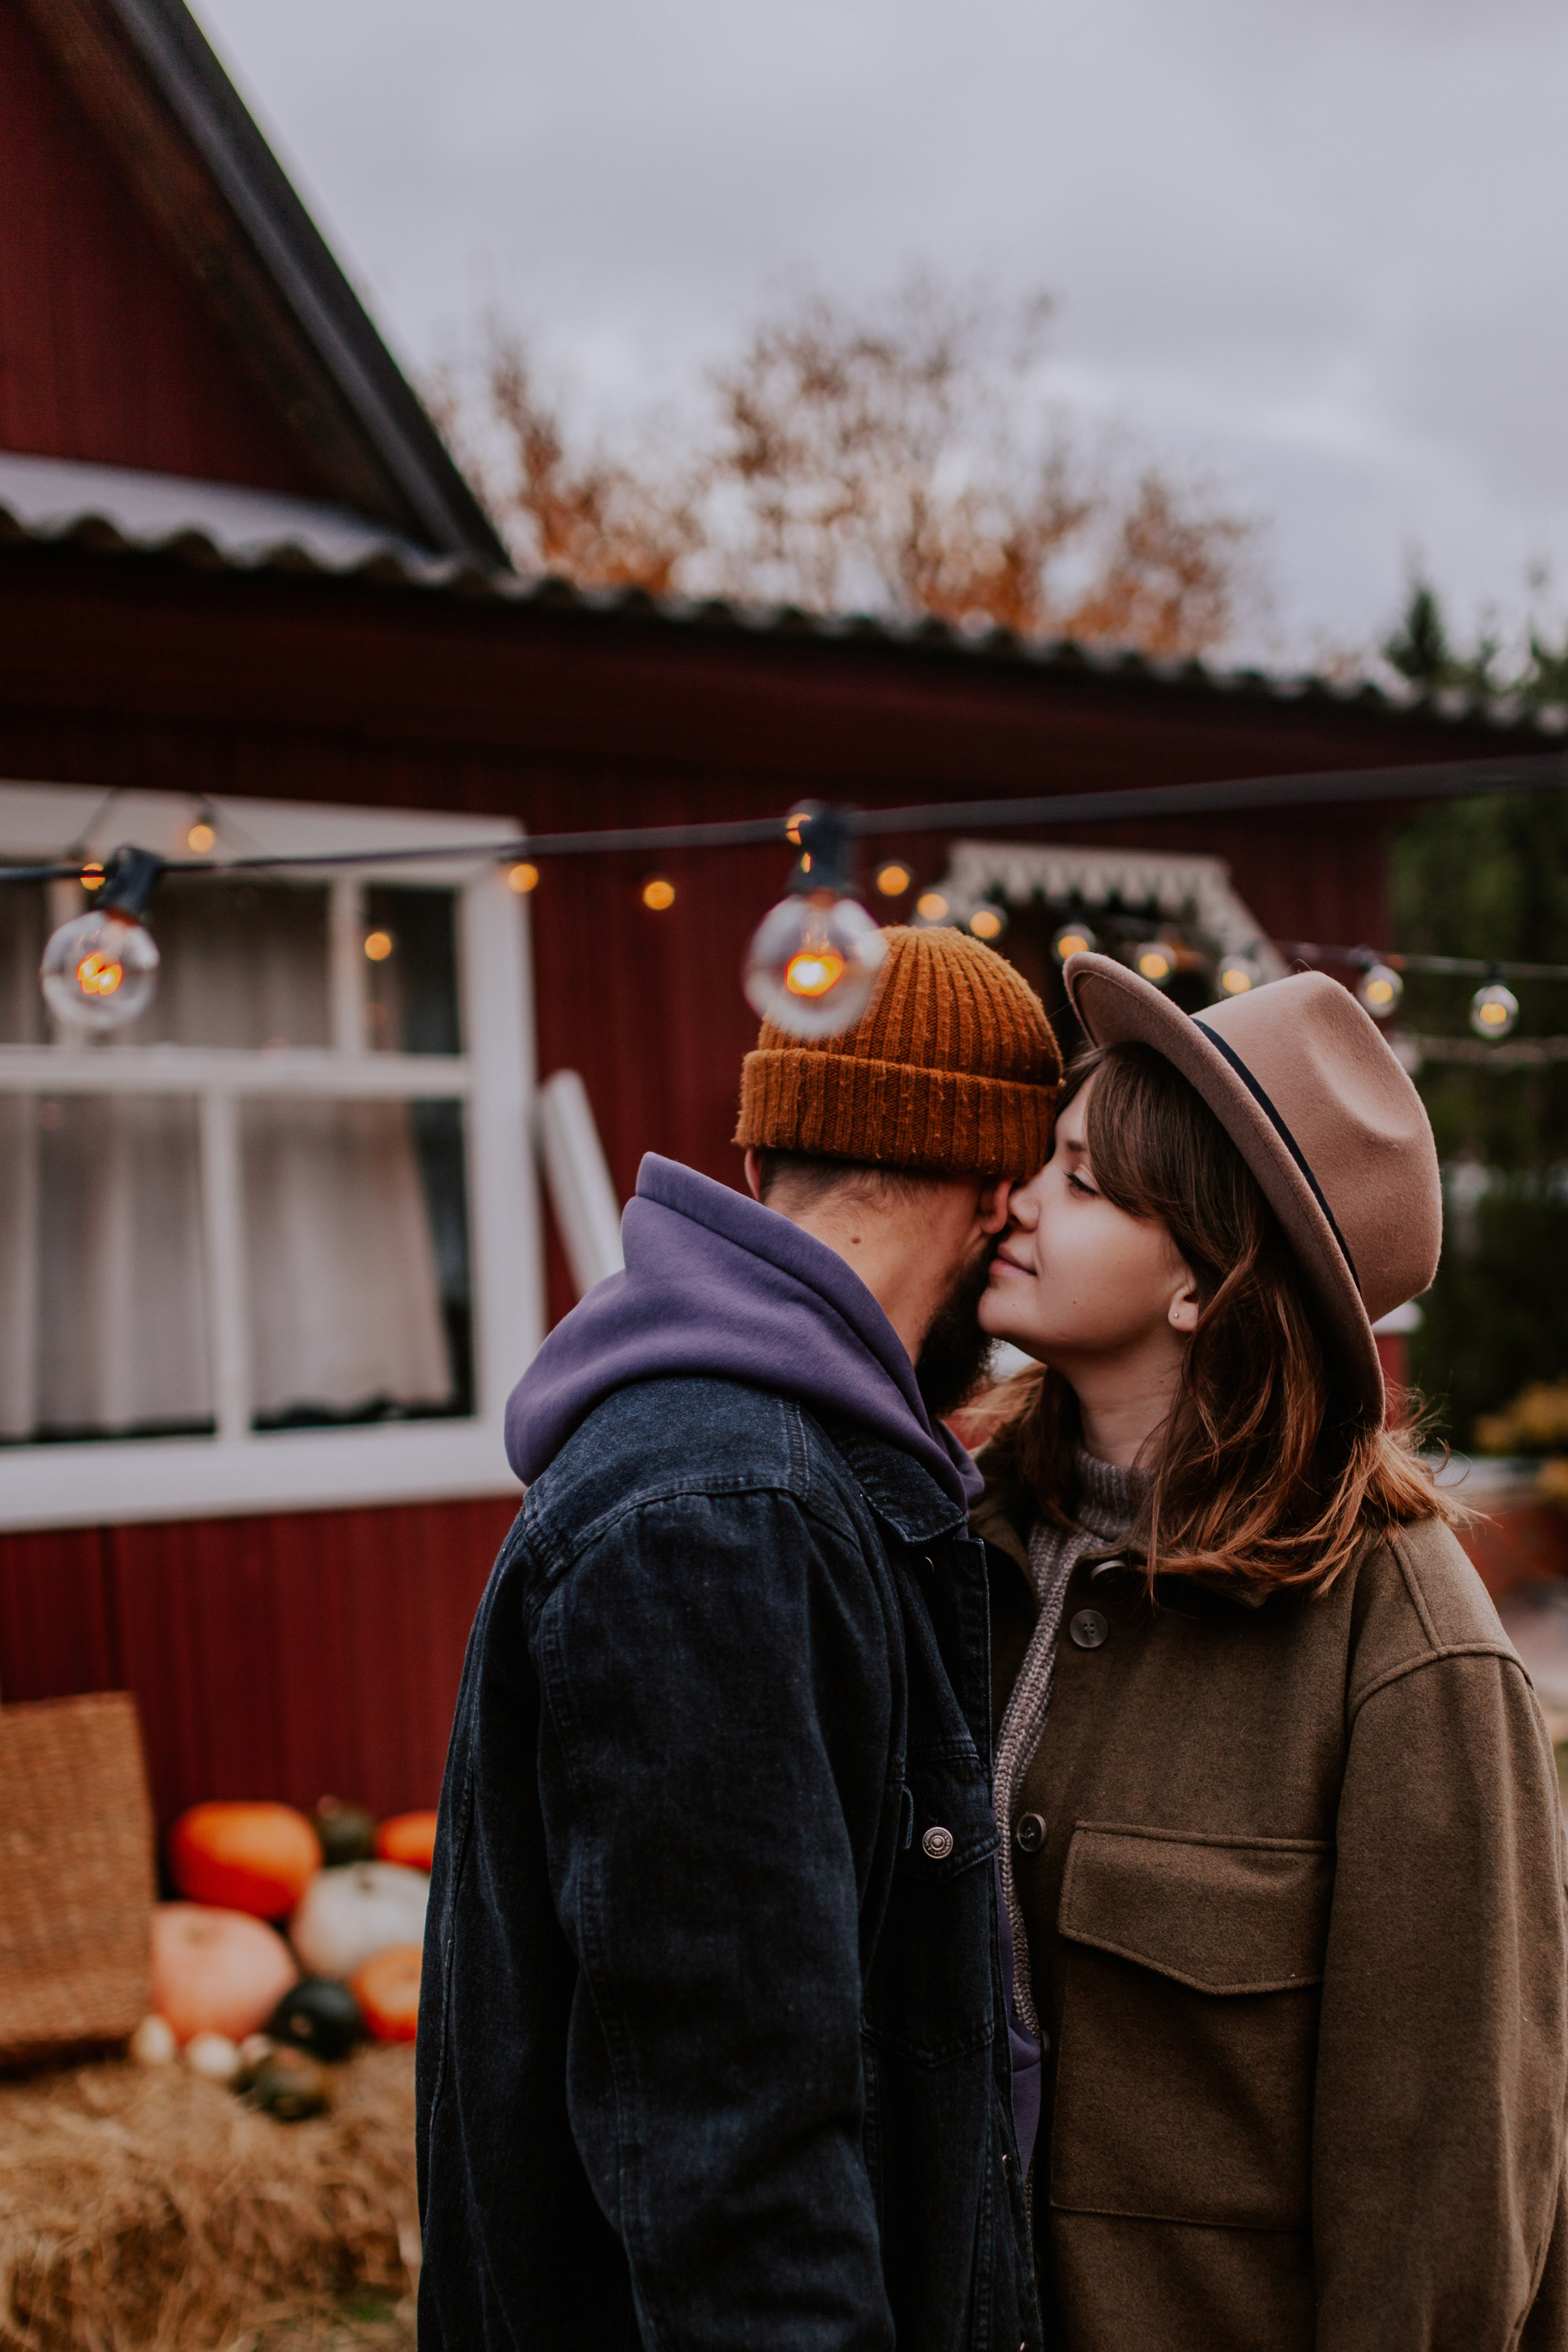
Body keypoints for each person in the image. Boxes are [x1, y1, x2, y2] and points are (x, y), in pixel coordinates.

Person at [416, 924, 1061, 2351]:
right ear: (997, 1194)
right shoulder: (725, 1510)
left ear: (764, 1159)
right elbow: (734, 2162)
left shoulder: (757, 1467)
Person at [973, 948, 1568, 2352]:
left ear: (1201, 1281)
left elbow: (1448, 2197)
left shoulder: (1408, 1653)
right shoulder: (955, 1544)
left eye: (1080, 1180)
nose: (1015, 1201)